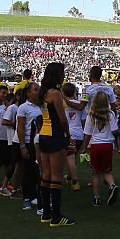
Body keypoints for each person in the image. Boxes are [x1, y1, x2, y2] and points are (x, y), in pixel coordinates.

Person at [38, 63, 74, 226]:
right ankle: (57, 216)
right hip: (55, 135)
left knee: (45, 175)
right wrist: (68, 134)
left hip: (43, 134)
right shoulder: (55, 93)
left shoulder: (43, 92)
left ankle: (46, 213)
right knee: (56, 176)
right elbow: (62, 118)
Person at [82, 91, 120, 207]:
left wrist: (84, 148)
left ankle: (96, 198)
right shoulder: (110, 114)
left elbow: (87, 134)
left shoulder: (91, 114)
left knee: (95, 173)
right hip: (107, 145)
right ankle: (112, 185)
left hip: (95, 145)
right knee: (107, 171)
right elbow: (115, 130)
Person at [15, 82, 43, 212]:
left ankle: (35, 195)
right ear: (28, 93)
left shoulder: (43, 106)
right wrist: (22, 146)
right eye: (35, 89)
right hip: (28, 142)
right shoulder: (23, 107)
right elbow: (20, 127)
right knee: (28, 170)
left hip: (41, 142)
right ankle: (27, 198)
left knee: (38, 171)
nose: (38, 92)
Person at [62, 83, 85, 192]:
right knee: (72, 156)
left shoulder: (62, 104)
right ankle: (70, 177)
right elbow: (83, 120)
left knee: (69, 158)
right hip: (79, 133)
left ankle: (75, 181)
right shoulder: (80, 104)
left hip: (69, 133)